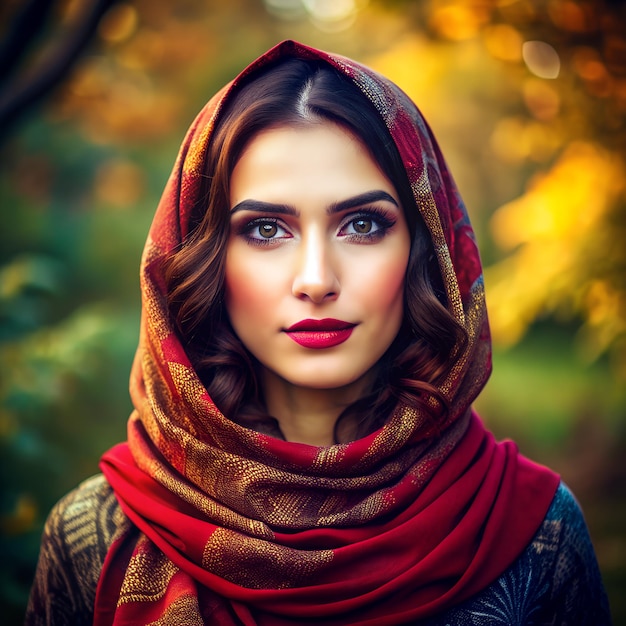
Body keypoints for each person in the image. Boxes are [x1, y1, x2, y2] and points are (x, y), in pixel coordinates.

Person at [25, 40, 611, 625]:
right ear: (205, 258)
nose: (316, 280)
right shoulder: (92, 538)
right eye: (264, 230)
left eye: (361, 225)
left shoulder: (538, 533)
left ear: (424, 250)